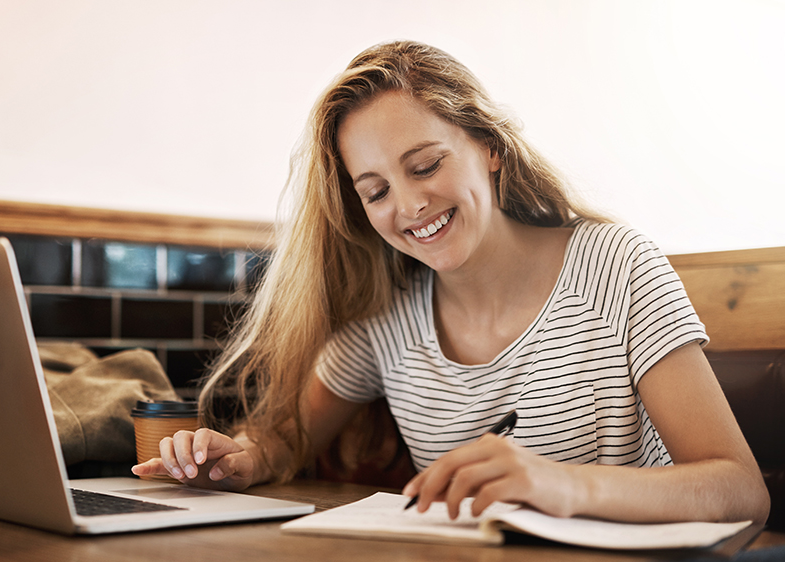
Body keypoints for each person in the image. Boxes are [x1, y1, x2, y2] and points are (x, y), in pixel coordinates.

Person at [132, 40, 770, 524]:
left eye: (426, 165)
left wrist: (559, 484)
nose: (409, 206)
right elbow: (283, 441)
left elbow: (743, 490)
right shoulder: (386, 319)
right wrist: (239, 459)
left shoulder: (615, 265)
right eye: (376, 191)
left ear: (489, 147)